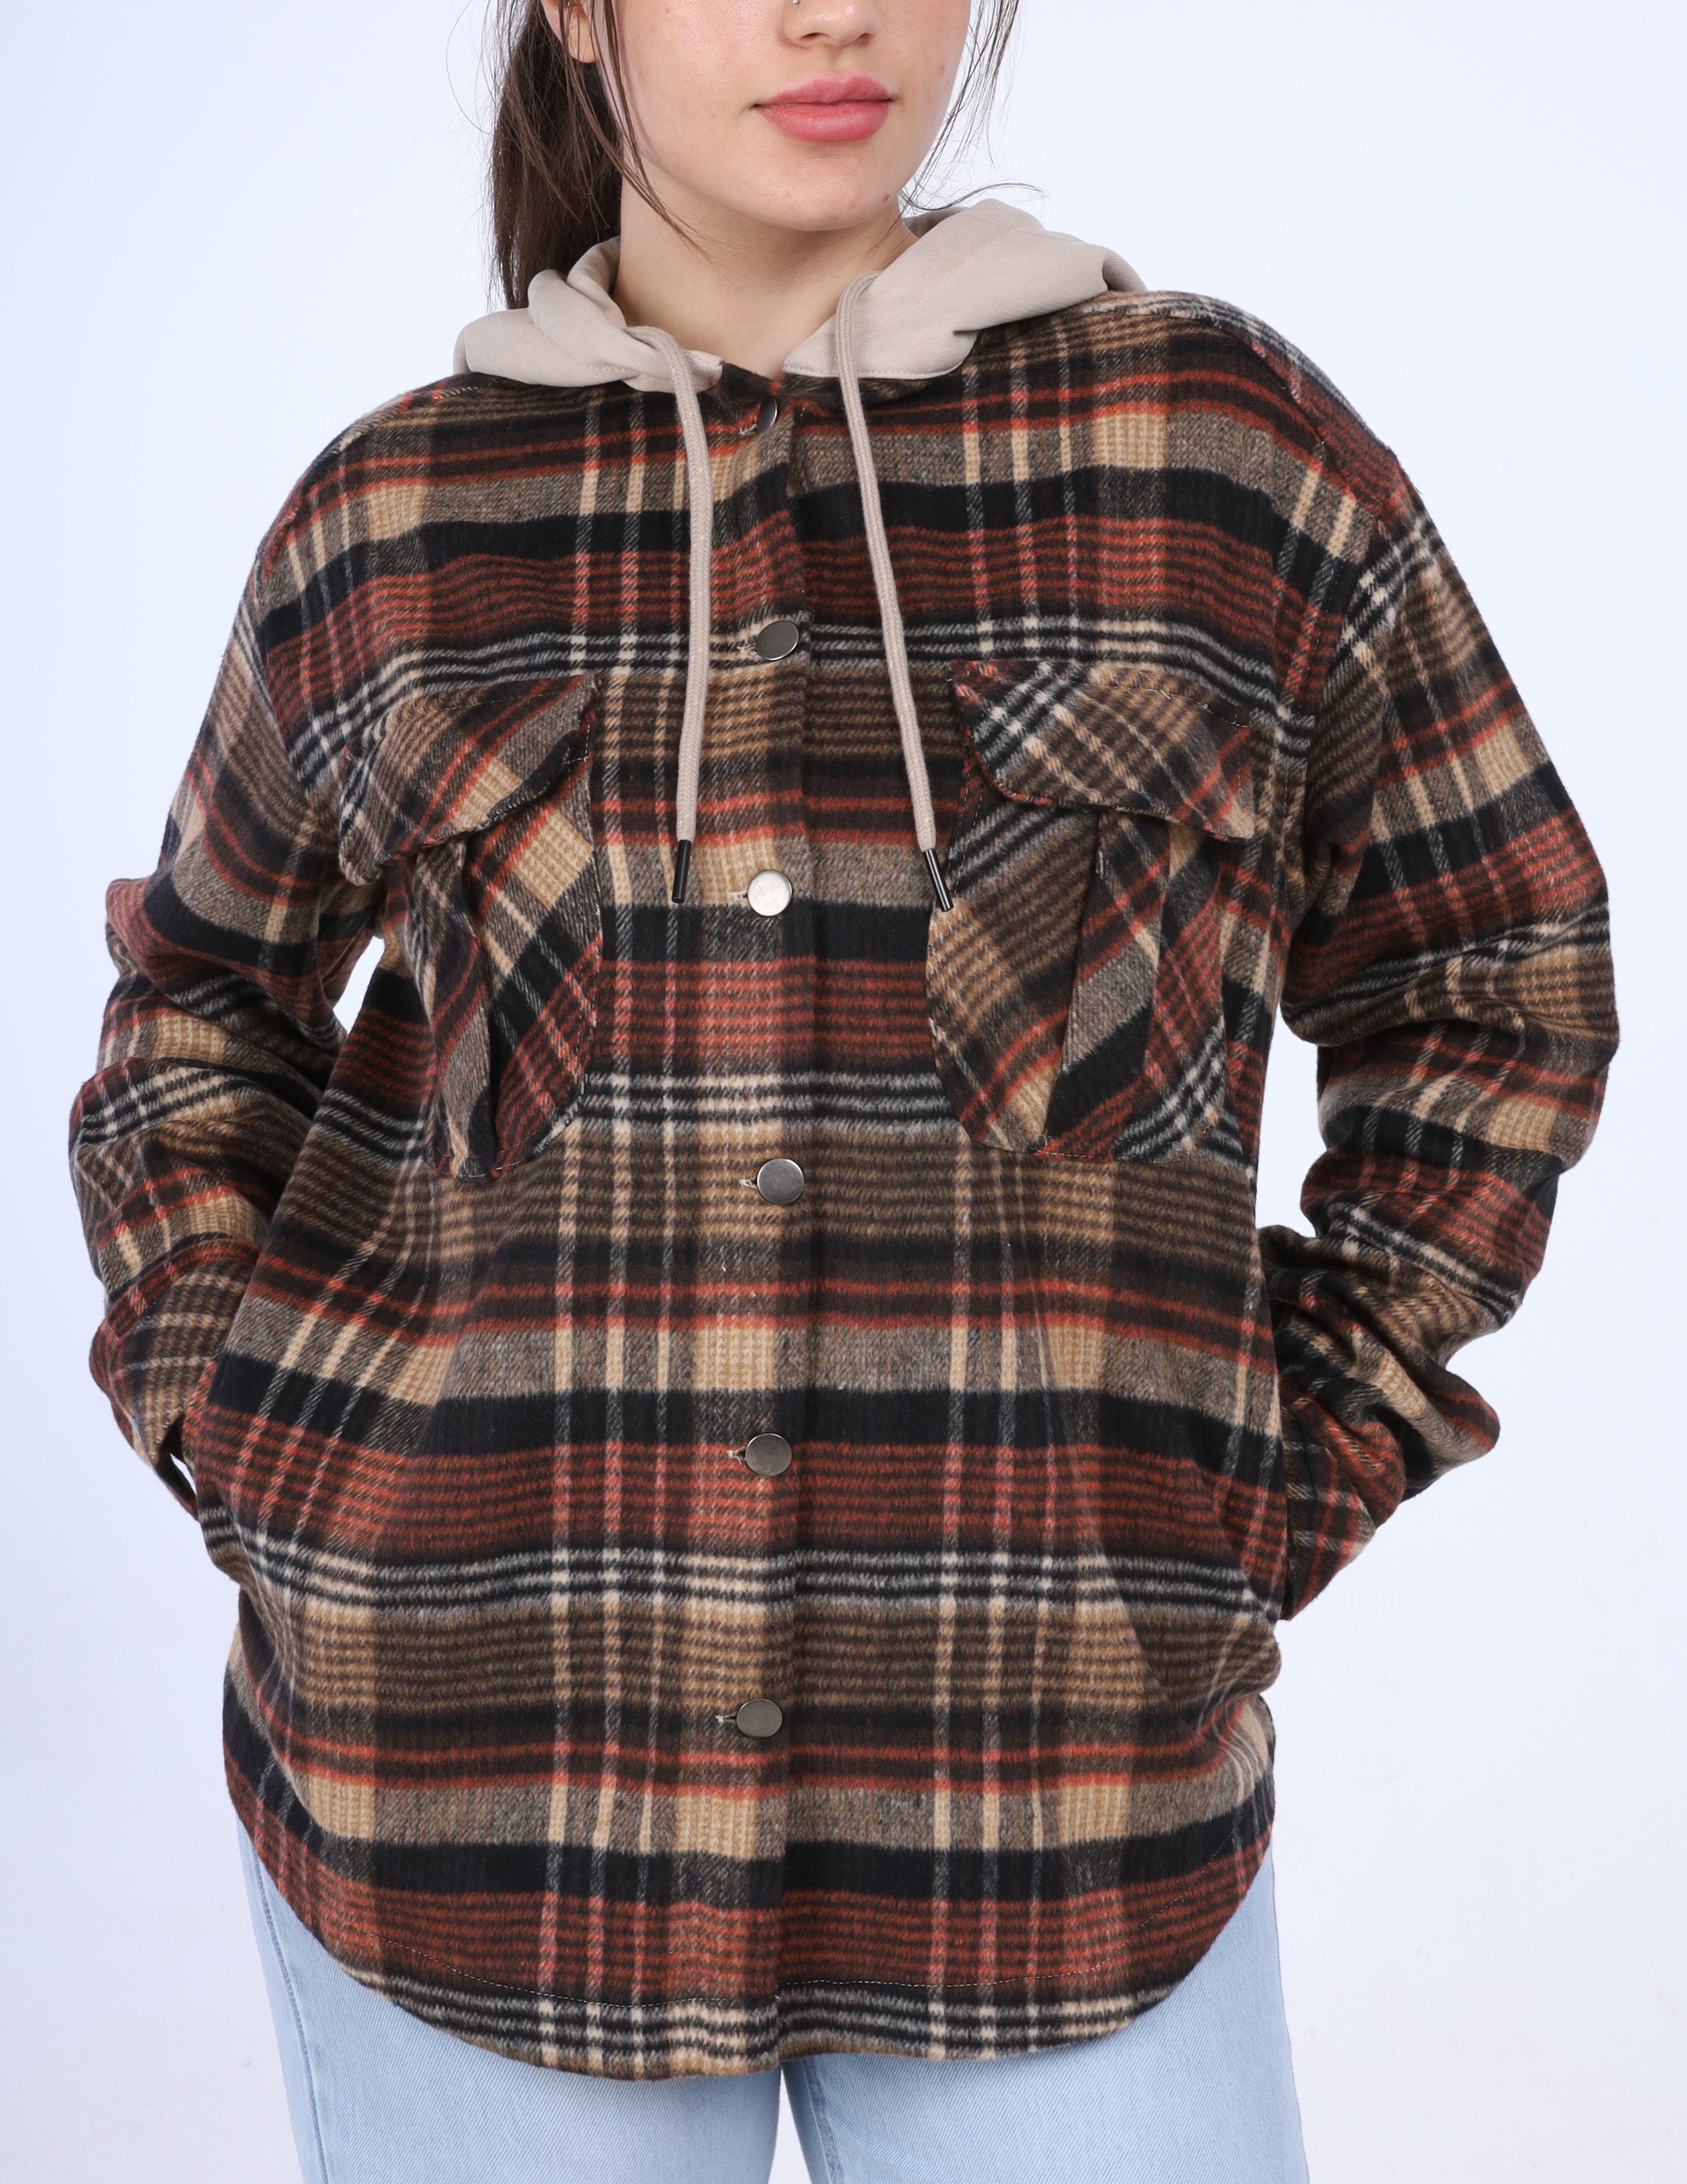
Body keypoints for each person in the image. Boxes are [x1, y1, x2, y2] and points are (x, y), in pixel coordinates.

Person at [67, 2, 1617, 2179]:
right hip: (472, 1809)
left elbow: (1493, 964)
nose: (836, 12)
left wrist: (1288, 1459)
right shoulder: (394, 521)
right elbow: (197, 1013)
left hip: (1063, 1821)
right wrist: (252, 1450)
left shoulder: (1224, 460)